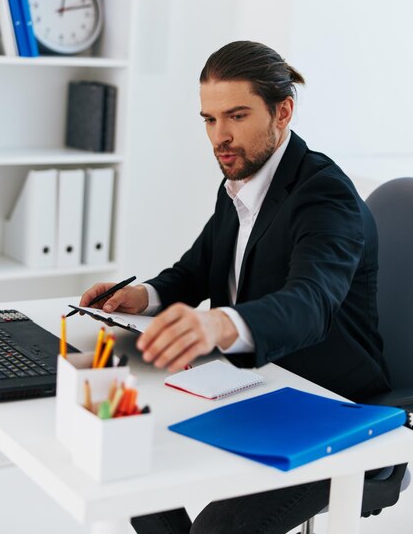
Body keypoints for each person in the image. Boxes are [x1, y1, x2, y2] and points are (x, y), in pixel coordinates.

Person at [80, 41, 391, 534]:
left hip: (328, 403)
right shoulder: (241, 176)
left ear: (282, 111)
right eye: (208, 119)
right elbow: (200, 268)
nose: (219, 137)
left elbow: (310, 303)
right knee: (119, 461)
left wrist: (220, 323)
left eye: (236, 115)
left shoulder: (325, 195)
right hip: (252, 384)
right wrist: (148, 296)